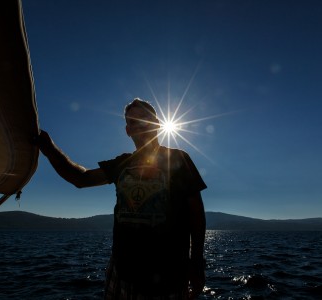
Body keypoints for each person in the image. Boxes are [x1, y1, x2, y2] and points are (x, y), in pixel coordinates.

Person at [38, 98, 207, 299]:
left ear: (159, 125)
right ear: (128, 130)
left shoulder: (179, 158)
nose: (141, 124)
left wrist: (196, 264)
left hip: (168, 275)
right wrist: (48, 148)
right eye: (134, 121)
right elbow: (80, 178)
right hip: (122, 272)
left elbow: (196, 214)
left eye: (146, 118)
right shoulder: (121, 164)